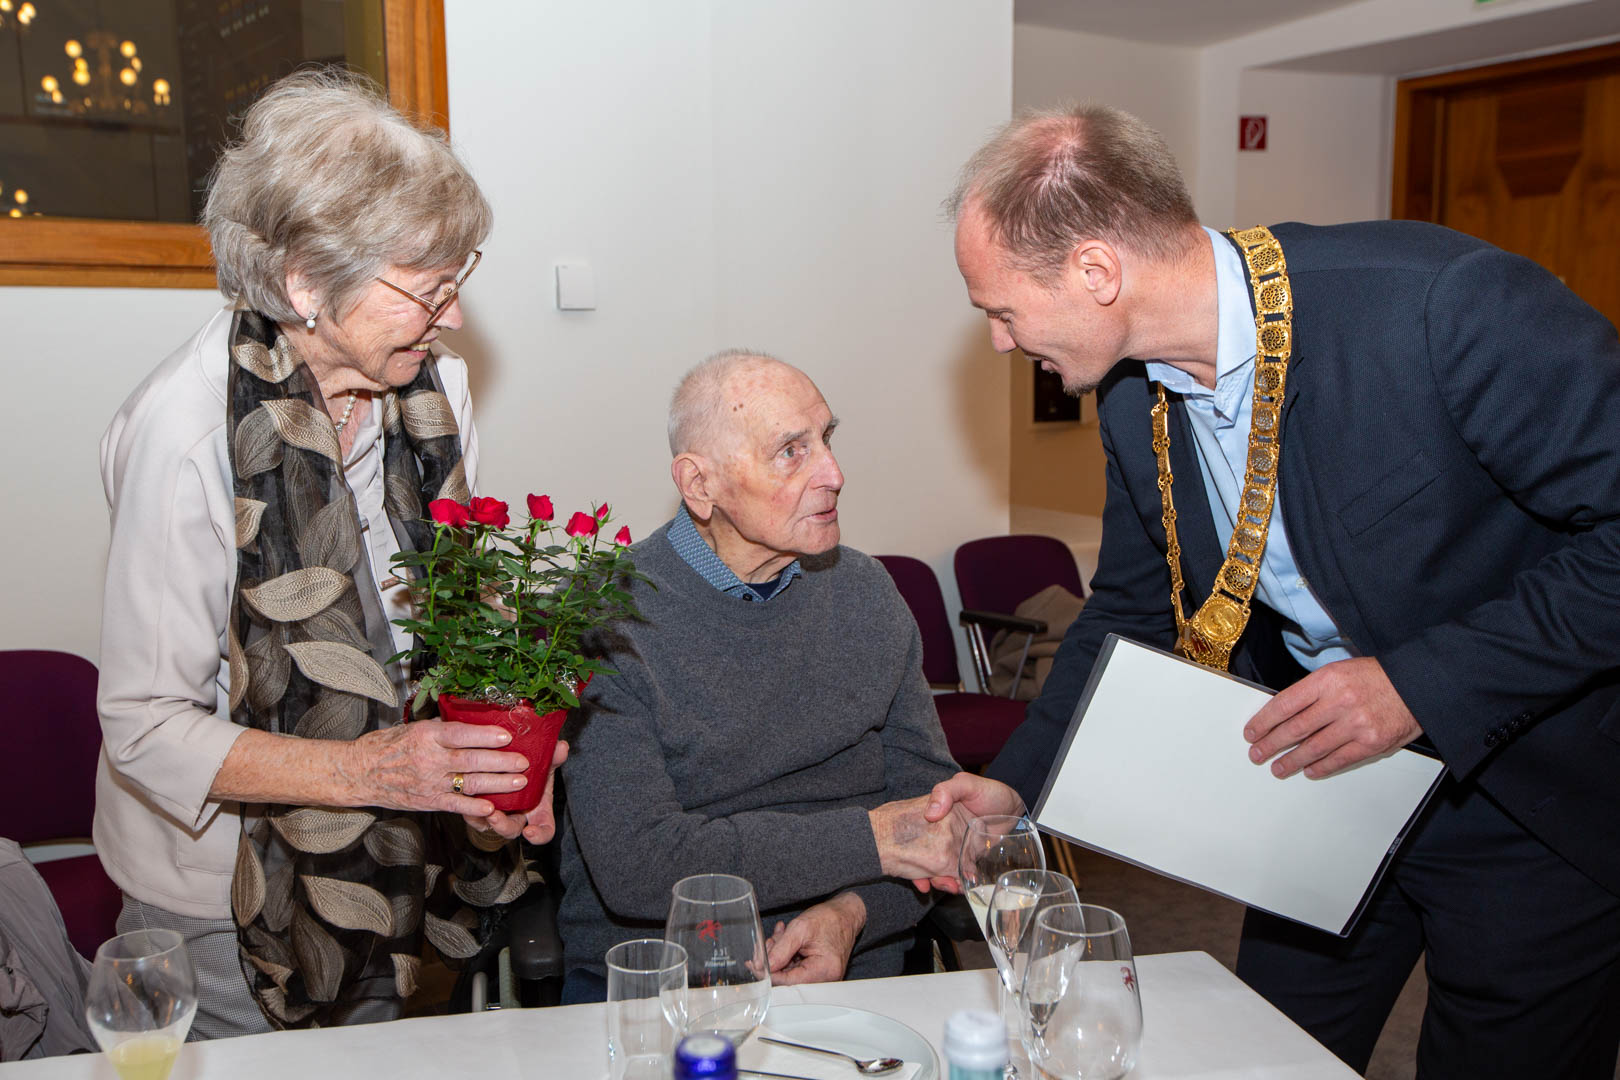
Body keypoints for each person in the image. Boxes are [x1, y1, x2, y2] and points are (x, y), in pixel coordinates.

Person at [939, 104, 1620, 1078]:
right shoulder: (1135, 400)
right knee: (1259, 1054)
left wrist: (1418, 686)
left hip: (1527, 795)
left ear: (1096, 272)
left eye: (1000, 310)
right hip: (1323, 795)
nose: (1001, 342)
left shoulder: (1439, 306)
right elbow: (1131, 613)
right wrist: (1017, 781)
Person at [96, 70, 559, 1037]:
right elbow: (143, 725)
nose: (455, 319)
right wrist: (373, 775)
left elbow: (450, 613)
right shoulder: (184, 437)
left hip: (394, 864)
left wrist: (504, 759)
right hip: (225, 894)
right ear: (307, 283)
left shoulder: (431, 396)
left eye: (458, 282)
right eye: (429, 289)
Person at [556, 350, 1020, 1002]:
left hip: (860, 972)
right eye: (790, 452)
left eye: (826, 439)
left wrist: (852, 914)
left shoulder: (867, 591)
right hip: (669, 986)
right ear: (700, 485)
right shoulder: (607, 615)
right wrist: (871, 840)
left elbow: (932, 817)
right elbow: (639, 864)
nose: (834, 473)